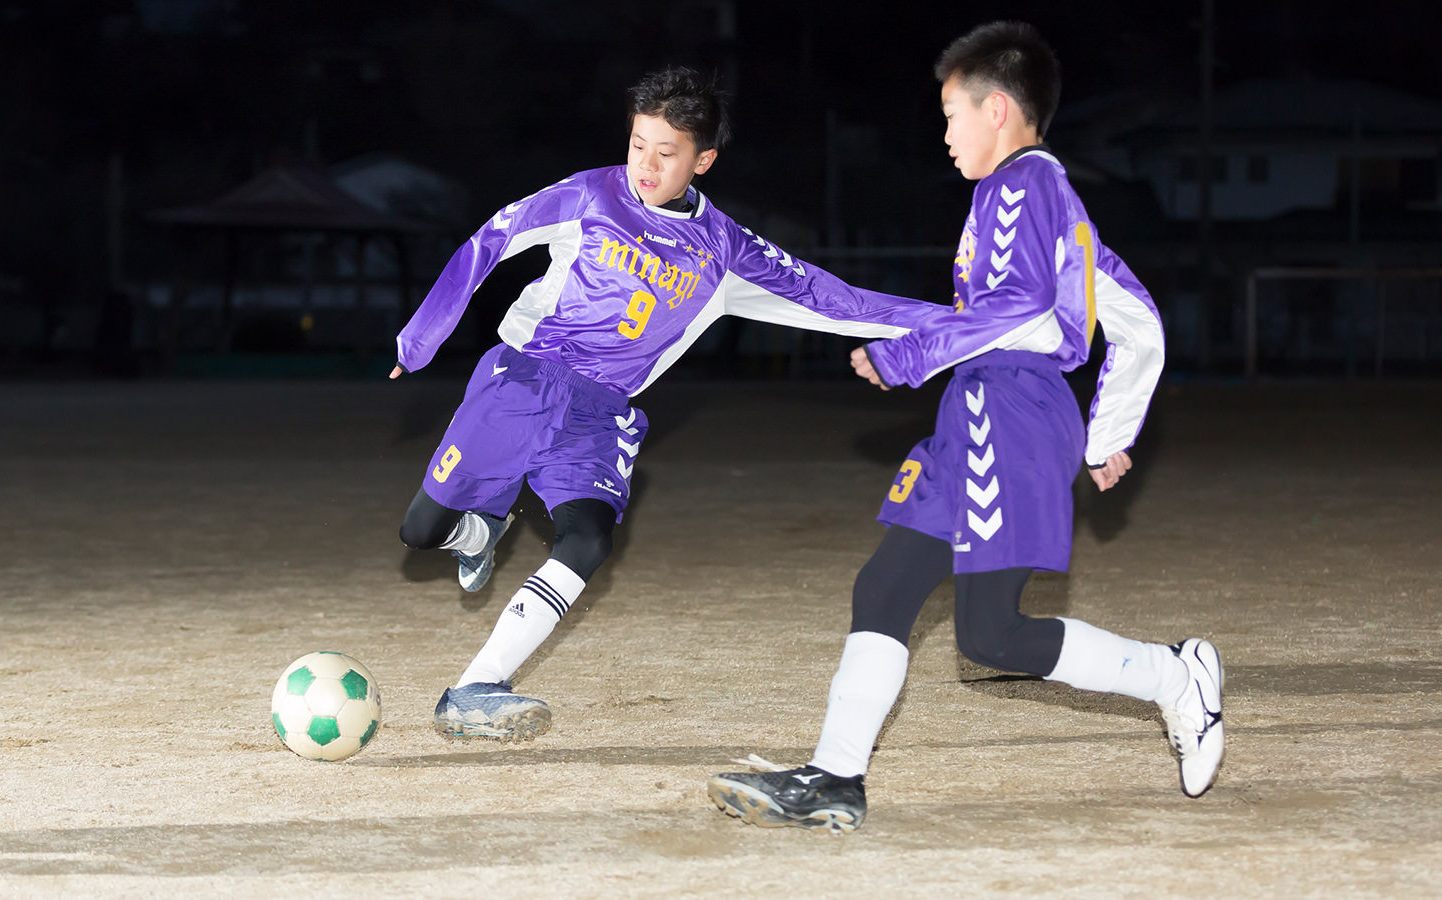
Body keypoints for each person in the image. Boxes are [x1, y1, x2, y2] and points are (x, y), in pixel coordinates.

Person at [708, 21, 1224, 833]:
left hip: (1008, 410)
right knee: (890, 590)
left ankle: (1173, 677)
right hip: (987, 408)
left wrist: (911, 354)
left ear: (1000, 111)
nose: (944, 134)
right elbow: (1139, 322)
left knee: (992, 632)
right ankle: (837, 779)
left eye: (952, 115)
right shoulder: (1057, 205)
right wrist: (1103, 433)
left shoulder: (1020, 186)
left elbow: (1015, 311)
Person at [391, 65, 936, 741]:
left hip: (600, 413)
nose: (644, 165)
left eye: (666, 152)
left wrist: (956, 324)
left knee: (588, 539)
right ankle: (479, 531)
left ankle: (477, 687)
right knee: (420, 531)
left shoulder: (724, 249)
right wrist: (420, 337)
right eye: (637, 144)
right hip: (521, 381)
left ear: (703, 160)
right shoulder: (589, 195)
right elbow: (489, 240)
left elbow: (836, 299)